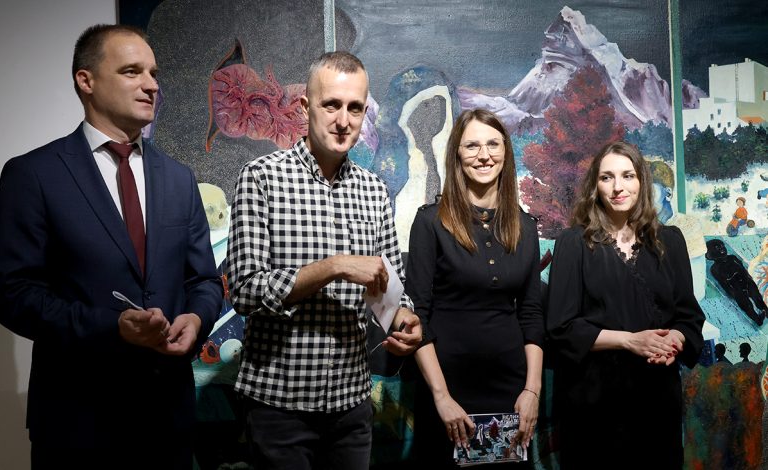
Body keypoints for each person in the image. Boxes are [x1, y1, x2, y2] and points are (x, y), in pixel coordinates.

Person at [0, 24, 223, 469]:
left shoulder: (179, 178)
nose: (151, 85)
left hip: (167, 423)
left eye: (154, 73)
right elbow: (12, 294)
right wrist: (111, 326)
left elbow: (204, 281)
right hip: (77, 424)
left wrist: (197, 318)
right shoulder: (33, 175)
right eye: (132, 71)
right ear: (86, 80)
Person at [226, 51, 422, 470]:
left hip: (351, 407)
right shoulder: (261, 178)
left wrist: (404, 319)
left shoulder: (374, 190)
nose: (343, 120)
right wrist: (335, 266)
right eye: (331, 105)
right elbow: (244, 291)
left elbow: (390, 288)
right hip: (279, 406)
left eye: (355, 108)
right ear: (305, 107)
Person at [546, 141, 705, 469]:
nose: (618, 187)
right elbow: (562, 327)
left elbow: (688, 316)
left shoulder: (671, 241)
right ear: (595, 186)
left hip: (657, 399)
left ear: (642, 181)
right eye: (607, 177)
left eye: (627, 175)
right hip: (593, 404)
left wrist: (675, 340)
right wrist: (630, 341)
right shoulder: (573, 244)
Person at [405, 109, 544, 468]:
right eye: (472, 146)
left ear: (506, 152)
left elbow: (531, 315)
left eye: (493, 144)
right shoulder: (429, 222)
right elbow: (417, 315)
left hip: (512, 391)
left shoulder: (526, 227)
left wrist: (532, 391)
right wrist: (441, 396)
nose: (484, 155)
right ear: (457, 154)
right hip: (447, 389)